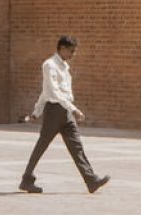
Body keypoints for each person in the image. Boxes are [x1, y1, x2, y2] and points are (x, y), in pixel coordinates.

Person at [20, 35, 109, 195]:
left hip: (66, 112)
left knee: (77, 147)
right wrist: (40, 111)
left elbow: (46, 91)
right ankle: (27, 179)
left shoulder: (64, 66)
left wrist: (39, 111)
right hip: (55, 111)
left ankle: (91, 180)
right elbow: (51, 91)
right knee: (42, 146)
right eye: (71, 50)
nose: (73, 54)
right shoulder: (49, 65)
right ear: (61, 48)